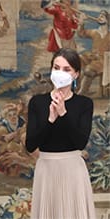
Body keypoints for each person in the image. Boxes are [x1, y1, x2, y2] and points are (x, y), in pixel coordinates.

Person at [25, 48, 96, 219]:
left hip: (73, 170)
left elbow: (80, 142)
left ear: (76, 74)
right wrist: (50, 118)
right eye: (56, 68)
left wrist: (64, 113)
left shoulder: (84, 104)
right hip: (46, 169)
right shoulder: (37, 102)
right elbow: (30, 144)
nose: (60, 73)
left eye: (66, 69)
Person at [77, 10, 110, 96]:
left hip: (103, 61)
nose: (99, 18)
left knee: (89, 70)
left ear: (107, 20)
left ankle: (82, 93)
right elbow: (81, 34)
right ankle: (76, 87)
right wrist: (81, 22)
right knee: (77, 60)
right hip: (92, 56)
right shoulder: (95, 32)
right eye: (99, 16)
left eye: (102, 16)